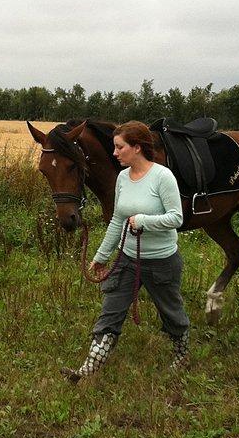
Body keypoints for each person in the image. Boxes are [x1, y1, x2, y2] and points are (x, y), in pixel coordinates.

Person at [62, 121, 190, 382]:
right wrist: (101, 256)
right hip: (127, 259)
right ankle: (88, 369)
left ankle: (181, 353)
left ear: (138, 147)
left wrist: (144, 221)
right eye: (115, 147)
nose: (115, 153)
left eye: (120, 147)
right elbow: (118, 220)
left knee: (172, 313)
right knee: (110, 311)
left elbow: (176, 218)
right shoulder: (122, 178)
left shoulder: (162, 177)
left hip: (161, 262)